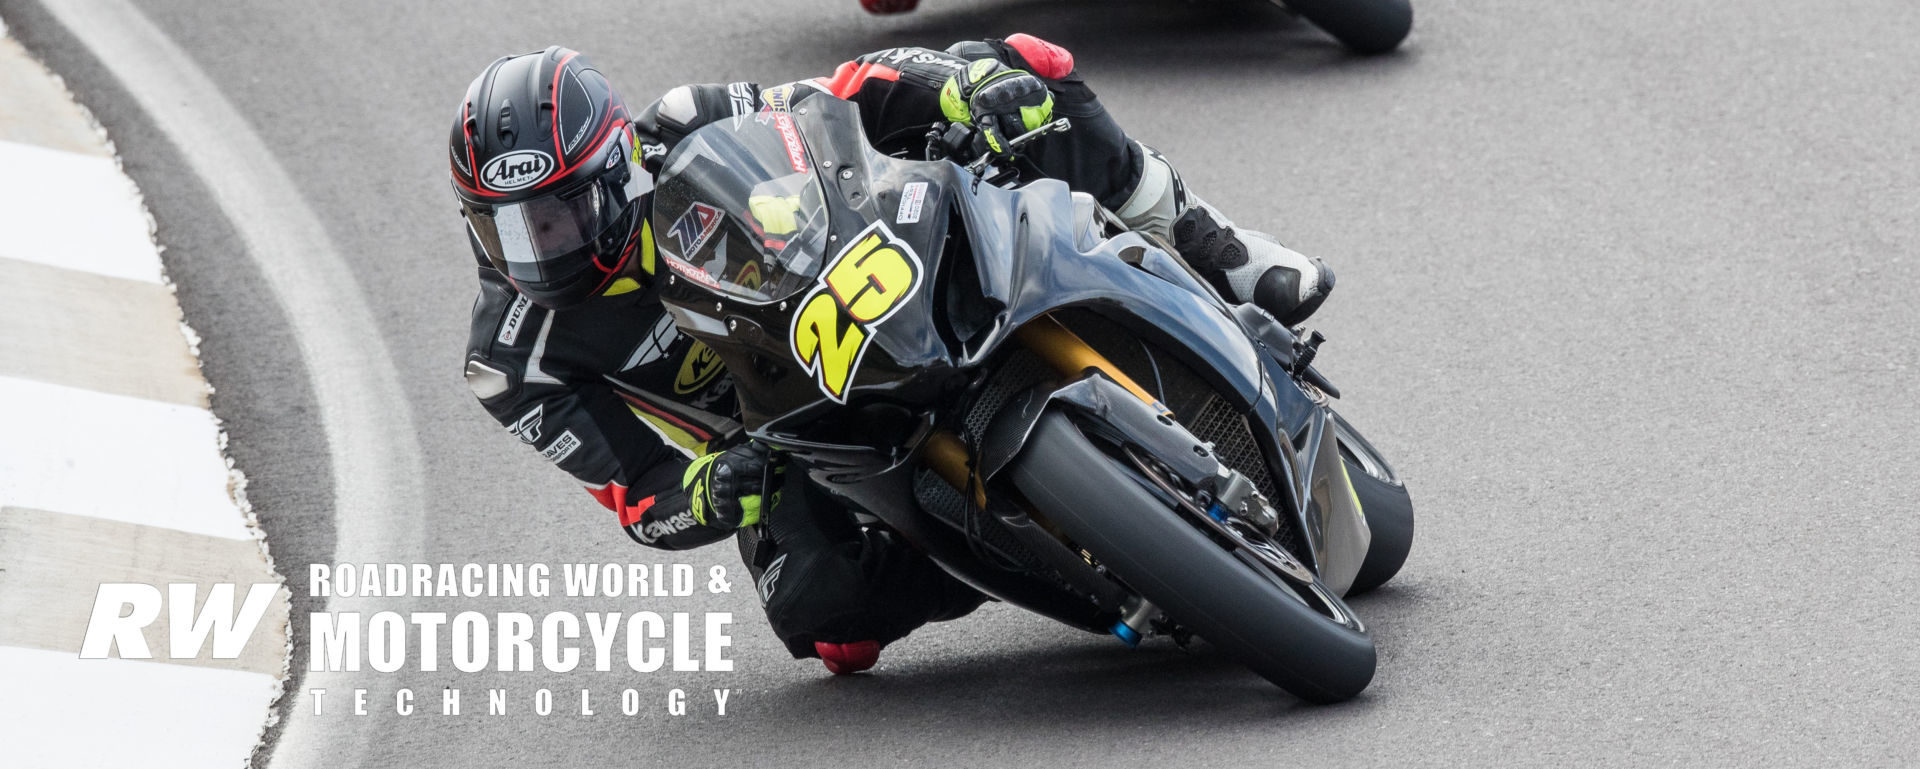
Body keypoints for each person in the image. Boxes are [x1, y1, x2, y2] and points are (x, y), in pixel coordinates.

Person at [451, 35, 1333, 674]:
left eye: (560, 215)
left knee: (1029, 74)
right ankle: (1027, 549)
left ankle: (1219, 249)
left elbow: (835, 96)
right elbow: (641, 497)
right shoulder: (512, 363)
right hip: (778, 435)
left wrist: (956, 89)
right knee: (827, 627)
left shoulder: (682, 123)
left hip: (864, 276)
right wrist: (710, 490)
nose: (542, 252)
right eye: (509, 230)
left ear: (616, 170)